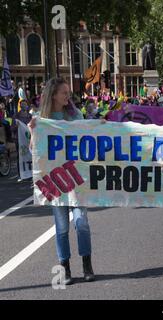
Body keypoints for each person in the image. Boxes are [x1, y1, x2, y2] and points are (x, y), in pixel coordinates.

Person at [28, 77, 96, 285]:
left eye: (68, 92)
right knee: (62, 227)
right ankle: (65, 267)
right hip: (55, 179)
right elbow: (33, 150)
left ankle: (87, 263)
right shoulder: (41, 118)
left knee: (81, 222)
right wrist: (32, 131)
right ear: (54, 95)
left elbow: (87, 133)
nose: (68, 96)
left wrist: (101, 126)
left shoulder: (75, 115)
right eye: (64, 93)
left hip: (76, 177)